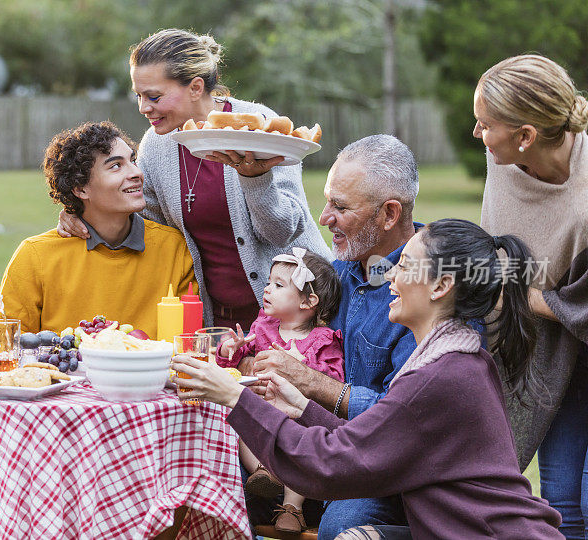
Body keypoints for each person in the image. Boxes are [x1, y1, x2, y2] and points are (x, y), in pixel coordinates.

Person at [173, 218, 564, 539]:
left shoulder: (438, 378)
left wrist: (235, 398)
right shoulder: (458, 359)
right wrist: (303, 407)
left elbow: (330, 464)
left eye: (406, 266)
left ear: (442, 286)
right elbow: (370, 444)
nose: (390, 273)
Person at [57, 29, 329, 331]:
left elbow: (282, 232)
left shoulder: (258, 126)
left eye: (154, 96)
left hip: (300, 318)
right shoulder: (156, 146)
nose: (143, 107)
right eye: (139, 95)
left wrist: (257, 179)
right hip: (220, 323)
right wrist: (82, 214)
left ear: (196, 87)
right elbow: (145, 225)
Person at [246, 135, 420, 537]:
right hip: (317, 441)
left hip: (383, 464)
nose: (324, 218)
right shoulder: (338, 272)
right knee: (211, 477)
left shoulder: (425, 287)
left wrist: (309, 380)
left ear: (389, 214)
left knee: (342, 524)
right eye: (327, 201)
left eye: (340, 207)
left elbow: (404, 418)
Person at [474, 54, 588, 539]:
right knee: (560, 502)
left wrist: (517, 296)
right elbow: (489, 259)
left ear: (525, 135)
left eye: (485, 125)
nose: (477, 134)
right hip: (548, 353)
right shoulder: (503, 159)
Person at [0, 121, 196, 337]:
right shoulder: (34, 256)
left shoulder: (174, 248)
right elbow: (7, 348)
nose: (136, 173)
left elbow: (188, 345)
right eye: (115, 166)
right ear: (80, 188)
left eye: (133, 161)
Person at [215, 247, 343, 533]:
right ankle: (263, 472)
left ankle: (292, 507)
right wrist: (229, 350)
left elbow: (333, 378)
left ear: (308, 301)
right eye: (269, 282)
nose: (267, 290)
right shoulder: (263, 328)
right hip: (262, 412)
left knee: (305, 441)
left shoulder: (322, 339)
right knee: (242, 419)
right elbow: (235, 363)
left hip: (294, 417)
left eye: (278, 285)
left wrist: (306, 370)